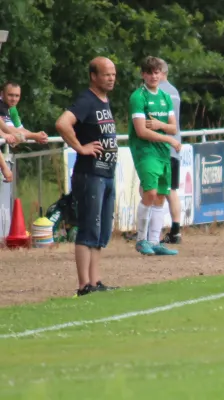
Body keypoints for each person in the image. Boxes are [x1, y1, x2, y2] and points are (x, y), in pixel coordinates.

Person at [55, 56, 119, 296]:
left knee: (101, 229)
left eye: (113, 74)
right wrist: (80, 147)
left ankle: (95, 280)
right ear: (94, 76)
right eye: (106, 74)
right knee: (88, 227)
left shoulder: (104, 101)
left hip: (106, 172)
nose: (111, 78)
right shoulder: (87, 100)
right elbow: (62, 123)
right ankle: (84, 284)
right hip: (91, 173)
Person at [128, 56, 181, 256]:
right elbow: (141, 131)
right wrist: (169, 139)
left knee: (160, 196)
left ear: (161, 74)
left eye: (156, 72)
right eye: (149, 72)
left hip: (162, 153)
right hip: (145, 151)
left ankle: (154, 240)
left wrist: (160, 126)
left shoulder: (165, 97)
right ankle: (141, 239)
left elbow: (173, 127)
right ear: (143, 75)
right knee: (150, 193)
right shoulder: (138, 97)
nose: (153, 76)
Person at [154, 59, 182, 244]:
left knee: (153, 188)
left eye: (154, 71)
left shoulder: (159, 92)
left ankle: (152, 229)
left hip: (162, 146)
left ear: (161, 72)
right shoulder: (174, 91)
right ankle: (176, 230)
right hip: (175, 146)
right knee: (171, 190)